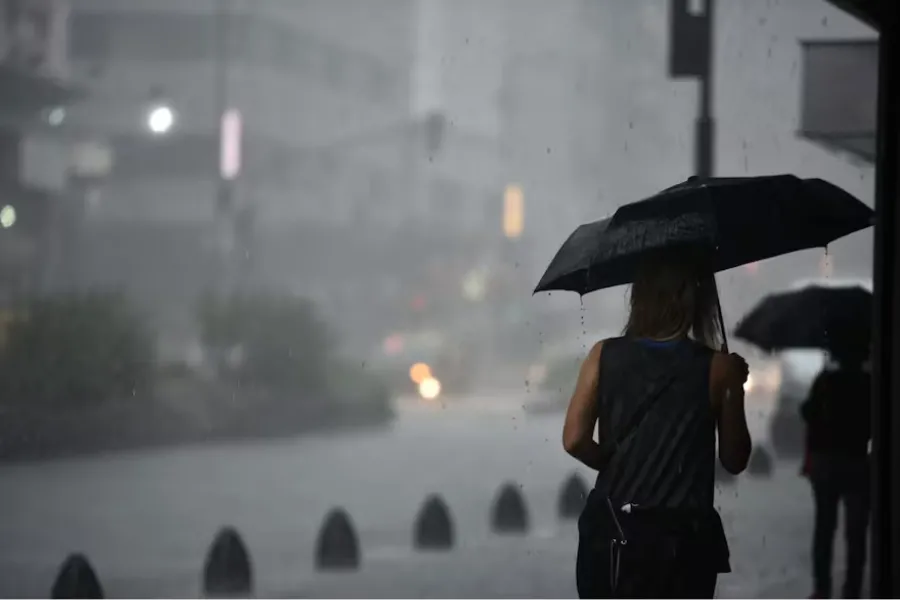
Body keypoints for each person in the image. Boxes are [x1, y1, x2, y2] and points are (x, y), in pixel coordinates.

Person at [562, 249, 752, 599]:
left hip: (613, 535)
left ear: (640, 297)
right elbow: (734, 459)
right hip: (683, 545)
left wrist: (610, 459)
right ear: (692, 299)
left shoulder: (603, 355)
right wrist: (733, 388)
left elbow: (574, 440)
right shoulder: (718, 369)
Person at [801, 350, 871, 599]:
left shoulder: (825, 381)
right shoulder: (868, 383)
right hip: (857, 463)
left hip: (826, 465)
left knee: (824, 528)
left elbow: (808, 414)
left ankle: (822, 589)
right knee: (856, 531)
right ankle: (852, 588)